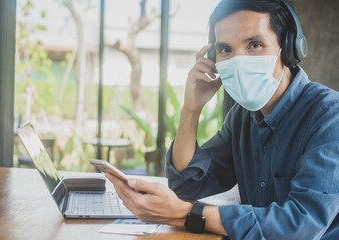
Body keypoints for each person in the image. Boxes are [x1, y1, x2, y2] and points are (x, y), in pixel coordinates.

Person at [106, 0, 339, 238]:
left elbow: (301, 224)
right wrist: (190, 110)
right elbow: (188, 185)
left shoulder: (330, 115)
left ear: (289, 48)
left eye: (255, 44)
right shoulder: (242, 117)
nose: (238, 61)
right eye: (226, 50)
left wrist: (186, 214)